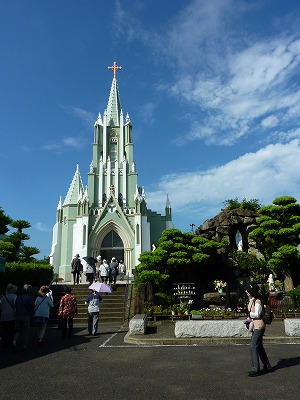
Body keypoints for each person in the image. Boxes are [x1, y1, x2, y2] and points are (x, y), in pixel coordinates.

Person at [245, 283, 272, 377]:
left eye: (247, 290)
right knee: (259, 346)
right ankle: (267, 366)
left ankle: (256, 369)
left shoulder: (258, 302)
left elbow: (257, 314)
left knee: (253, 346)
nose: (246, 292)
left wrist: (249, 315)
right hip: (256, 326)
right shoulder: (252, 300)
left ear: (251, 291)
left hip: (259, 326)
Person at [13, 284, 34, 351]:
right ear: (28, 291)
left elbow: (15, 306)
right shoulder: (29, 298)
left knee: (18, 330)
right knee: (26, 331)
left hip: (18, 315)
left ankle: (14, 342)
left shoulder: (18, 297)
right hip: (25, 316)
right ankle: (24, 346)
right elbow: (33, 306)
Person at [0, 283, 18, 350]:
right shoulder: (15, 296)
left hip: (4, 316)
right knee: (11, 331)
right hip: (12, 316)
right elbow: (16, 306)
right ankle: (11, 344)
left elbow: (1, 308)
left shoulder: (3, 297)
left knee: (4, 331)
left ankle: (4, 344)